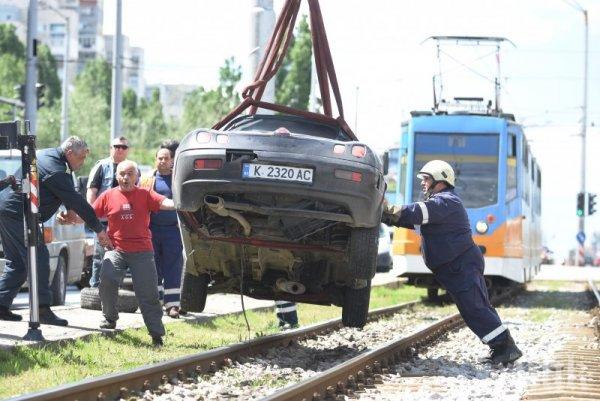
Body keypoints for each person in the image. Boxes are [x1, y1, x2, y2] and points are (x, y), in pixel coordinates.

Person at [381, 160, 523, 365]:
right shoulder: (442, 204)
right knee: (476, 306)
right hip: (459, 265)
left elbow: (415, 212)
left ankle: (505, 347)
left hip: (461, 265)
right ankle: (502, 347)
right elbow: (406, 219)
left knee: (474, 308)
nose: (423, 183)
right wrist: (386, 214)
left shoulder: (445, 202)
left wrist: (387, 207)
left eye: (426, 179)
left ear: (440, 180)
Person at [0, 137, 111, 324]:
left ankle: (1, 305)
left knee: (18, 263)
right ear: (69, 153)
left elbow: (58, 192)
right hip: (20, 214)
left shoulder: (50, 156)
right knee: (40, 259)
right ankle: (42, 310)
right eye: (81, 158)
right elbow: (76, 200)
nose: (82, 163)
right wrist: (99, 229)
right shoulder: (55, 169)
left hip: (10, 210)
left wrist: (68, 211)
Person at [92, 160, 174, 346]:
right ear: (116, 176)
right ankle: (109, 318)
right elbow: (90, 213)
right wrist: (71, 217)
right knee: (107, 278)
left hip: (142, 251)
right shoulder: (108, 195)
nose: (125, 177)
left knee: (148, 293)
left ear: (137, 177)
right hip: (116, 249)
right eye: (122, 174)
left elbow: (165, 202)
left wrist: (180, 203)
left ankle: (156, 334)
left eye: (130, 174)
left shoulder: (145, 194)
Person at [140, 141, 183, 318]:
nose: (163, 161)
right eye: (160, 158)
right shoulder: (146, 180)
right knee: (153, 267)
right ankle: (156, 302)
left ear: (172, 160)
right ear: (155, 160)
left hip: (173, 231)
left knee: (173, 266)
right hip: (152, 230)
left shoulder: (178, 179)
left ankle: (172, 305)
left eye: (166, 158)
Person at [86, 136, 132, 288]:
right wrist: (92, 217)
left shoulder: (132, 168)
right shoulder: (101, 166)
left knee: (121, 256)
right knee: (100, 255)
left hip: (123, 223)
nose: (119, 149)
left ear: (127, 150)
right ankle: (96, 288)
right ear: (110, 148)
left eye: (123, 147)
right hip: (102, 222)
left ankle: (114, 289)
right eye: (116, 146)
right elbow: (91, 192)